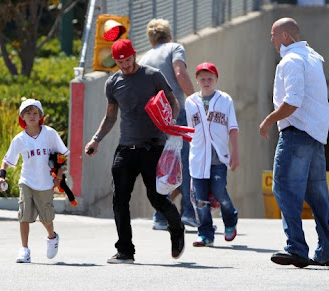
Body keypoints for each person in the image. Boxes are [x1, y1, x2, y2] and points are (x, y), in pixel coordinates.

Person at [85, 39, 185, 264]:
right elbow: (110, 116)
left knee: (157, 198)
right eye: (120, 62)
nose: (125, 66)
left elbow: (173, 102)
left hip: (153, 147)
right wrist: (96, 139)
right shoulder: (113, 83)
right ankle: (125, 251)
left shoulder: (153, 75)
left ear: (134, 55)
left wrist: (171, 120)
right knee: (119, 199)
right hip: (126, 149)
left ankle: (176, 228)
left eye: (128, 61)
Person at [259, 17, 329, 268]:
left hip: (296, 133)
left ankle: (296, 248)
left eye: (273, 34)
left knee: (283, 188)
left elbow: (293, 101)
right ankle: (326, 250)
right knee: (317, 196)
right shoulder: (312, 56)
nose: (270, 39)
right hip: (315, 135)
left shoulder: (291, 60)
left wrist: (269, 120)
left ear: (285, 36)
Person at [140, 18, 198, 230]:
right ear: (169, 34)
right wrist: (194, 99)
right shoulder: (175, 48)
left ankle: (160, 216)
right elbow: (180, 73)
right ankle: (189, 214)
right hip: (176, 114)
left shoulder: (145, 57)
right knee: (184, 162)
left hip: (155, 118)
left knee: (163, 165)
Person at [0, 99, 69, 263]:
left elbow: (62, 155)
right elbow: (7, 160)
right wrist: (2, 175)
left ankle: (52, 237)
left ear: (41, 115)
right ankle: (24, 249)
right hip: (26, 181)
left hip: (45, 183)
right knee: (23, 215)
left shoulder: (50, 134)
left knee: (46, 218)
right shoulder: (19, 139)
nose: (32, 116)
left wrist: (58, 176)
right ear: (22, 117)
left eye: (35, 112)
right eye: (27, 113)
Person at [185, 62, 239, 247]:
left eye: (210, 78)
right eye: (202, 79)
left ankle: (230, 220)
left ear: (216, 80)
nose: (206, 82)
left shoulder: (225, 100)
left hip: (219, 158)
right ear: (197, 80)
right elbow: (190, 130)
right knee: (200, 200)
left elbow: (232, 128)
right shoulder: (191, 102)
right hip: (198, 158)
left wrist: (235, 153)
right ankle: (205, 234)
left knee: (219, 192)